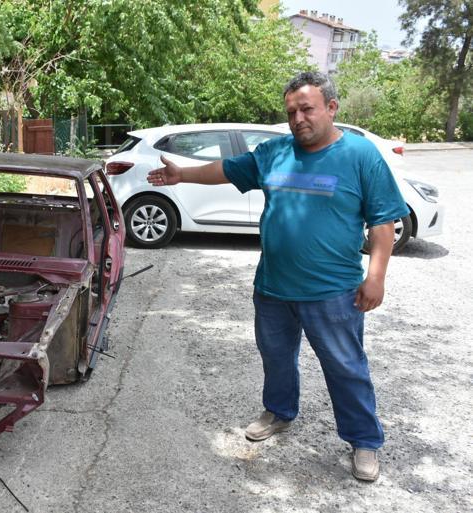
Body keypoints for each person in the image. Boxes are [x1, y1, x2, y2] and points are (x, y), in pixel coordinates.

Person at [147, 71, 408, 482]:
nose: (298, 119)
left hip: (333, 292)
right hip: (273, 286)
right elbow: (227, 169)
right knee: (276, 357)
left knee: (345, 366)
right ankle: (280, 412)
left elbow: (382, 221)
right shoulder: (274, 153)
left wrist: (376, 277)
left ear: (331, 107)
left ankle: (364, 440)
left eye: (306, 109)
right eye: (291, 112)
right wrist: (183, 174)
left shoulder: (361, 155)